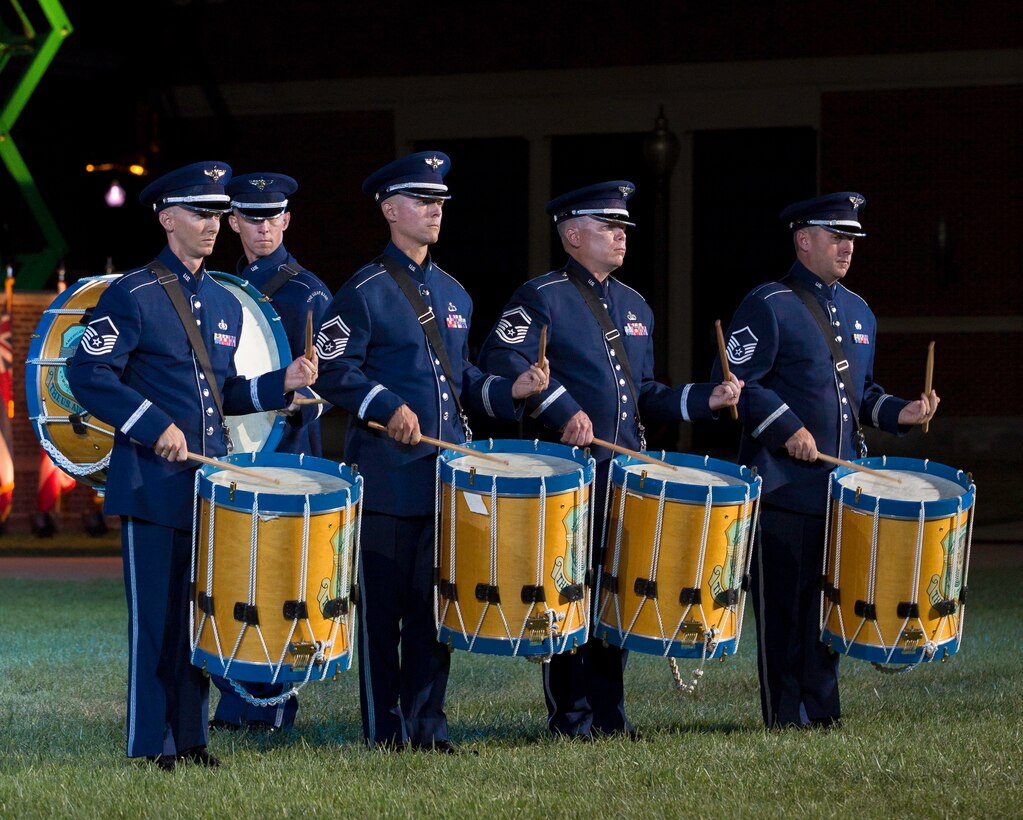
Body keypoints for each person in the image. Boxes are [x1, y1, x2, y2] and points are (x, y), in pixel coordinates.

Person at [68, 161, 318, 769]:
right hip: (153, 486)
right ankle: (150, 744)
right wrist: (155, 427)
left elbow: (223, 393)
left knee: (196, 619)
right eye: (201, 213)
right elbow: (87, 373)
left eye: (215, 213)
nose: (212, 224)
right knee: (155, 623)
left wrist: (277, 384)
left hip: (207, 488)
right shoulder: (133, 293)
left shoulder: (222, 302)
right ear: (166, 217)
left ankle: (191, 738)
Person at [478, 181, 742, 739]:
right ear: (573, 235)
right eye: (608, 227)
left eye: (623, 228)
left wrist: (705, 400)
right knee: (570, 595)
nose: (621, 235)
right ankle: (571, 717)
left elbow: (644, 393)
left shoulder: (635, 305)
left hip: (623, 475)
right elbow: (504, 361)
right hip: (569, 478)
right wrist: (561, 409)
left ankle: (610, 715)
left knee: (616, 596)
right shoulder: (541, 297)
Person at [313, 151, 549, 752]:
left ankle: (428, 726)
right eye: (422, 201)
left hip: (444, 480)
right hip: (389, 479)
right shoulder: (362, 291)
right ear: (391, 210)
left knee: (433, 613)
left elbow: (464, 379)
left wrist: (510, 390)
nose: (434, 210)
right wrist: (384, 405)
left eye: (440, 201)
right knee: (383, 616)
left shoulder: (455, 293)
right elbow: (333, 370)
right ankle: (383, 728)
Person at [714, 192, 939, 729]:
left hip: (841, 492)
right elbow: (742, 386)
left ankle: (824, 711)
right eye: (837, 237)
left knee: (828, 609)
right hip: (783, 488)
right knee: (785, 612)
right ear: (803, 240)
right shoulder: (768, 303)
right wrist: (786, 428)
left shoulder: (859, 311)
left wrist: (901, 412)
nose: (847, 247)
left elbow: (860, 396)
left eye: (852, 239)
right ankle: (784, 716)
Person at [208, 172, 333, 733]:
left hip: (286, 450)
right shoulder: (217, 285)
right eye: (250, 218)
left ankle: (274, 702)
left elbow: (328, 381)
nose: (262, 227)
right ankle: (236, 699)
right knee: (230, 574)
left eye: (272, 217)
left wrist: (304, 399)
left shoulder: (310, 292)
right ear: (232, 222)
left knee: (279, 579)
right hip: (233, 447)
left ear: (286, 220)